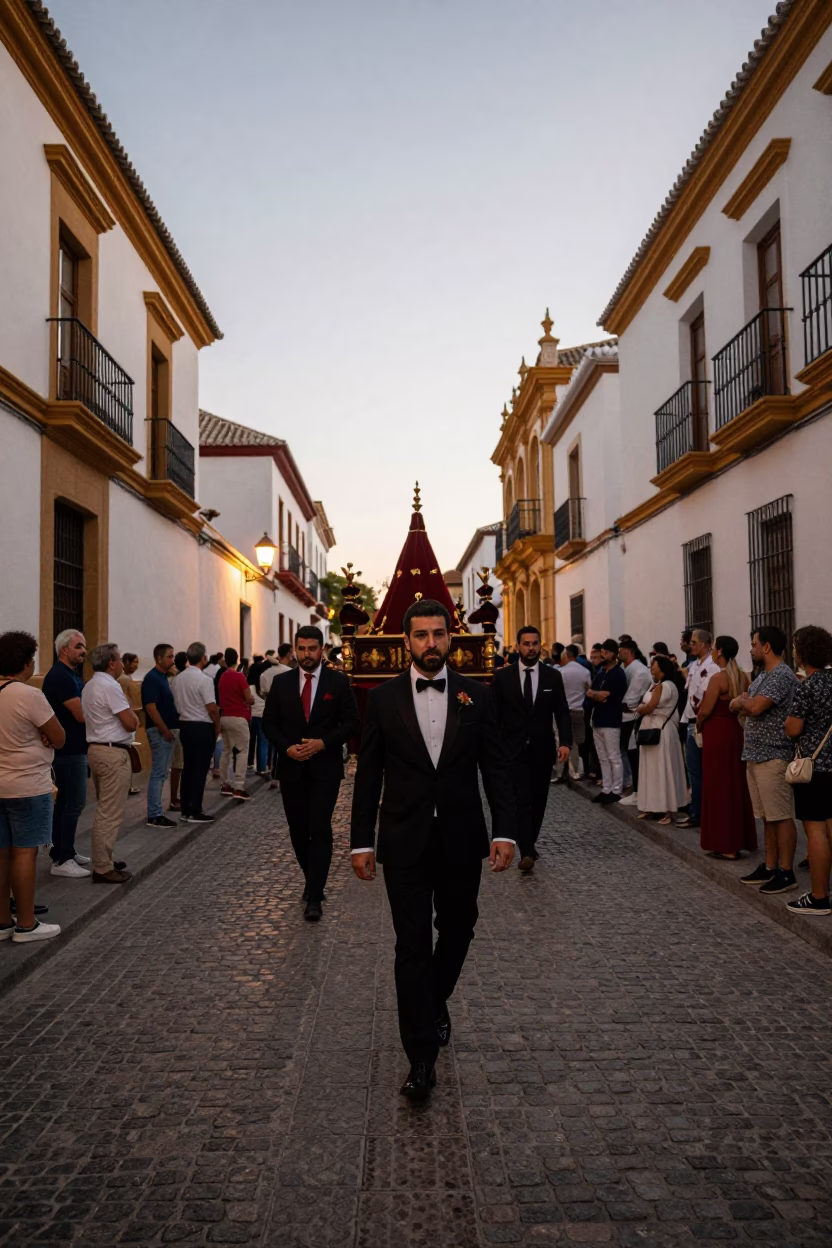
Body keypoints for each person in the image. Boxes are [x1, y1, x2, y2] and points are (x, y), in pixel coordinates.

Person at [350, 600, 514, 1101]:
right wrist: (362, 841)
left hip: (462, 838)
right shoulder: (382, 700)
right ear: (406, 642)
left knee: (460, 928)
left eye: (438, 634)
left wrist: (505, 831)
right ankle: (421, 1057)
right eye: (420, 636)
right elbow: (369, 773)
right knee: (411, 944)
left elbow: (497, 768)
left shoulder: (476, 697)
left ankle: (431, 1001)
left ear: (450, 638)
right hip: (404, 841)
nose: (430, 644)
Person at [264, 625, 361, 921]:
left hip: (325, 769)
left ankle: (315, 895)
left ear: (322, 649)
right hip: (292, 768)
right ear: (295, 649)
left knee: (319, 828)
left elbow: (352, 722)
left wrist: (323, 743)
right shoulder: (281, 683)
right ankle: (311, 879)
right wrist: (286, 748)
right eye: (302, 649)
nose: (307, 654)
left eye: (312, 649)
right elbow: (269, 724)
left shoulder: (338, 682)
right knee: (297, 830)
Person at [0, 630, 65, 943]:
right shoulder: (28, 695)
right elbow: (60, 736)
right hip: (27, 783)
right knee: (25, 854)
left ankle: (2, 922)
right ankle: (26, 923)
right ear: (26, 662)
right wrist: (42, 735)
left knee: (1, 853)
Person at [491, 625, 571, 871]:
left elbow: (562, 710)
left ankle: (529, 842)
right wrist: (493, 748)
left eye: (535, 643)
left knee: (538, 800)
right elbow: (494, 715)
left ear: (540, 645)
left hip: (542, 750)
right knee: (520, 800)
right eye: (526, 643)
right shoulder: (503, 677)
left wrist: (565, 742)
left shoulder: (551, 676)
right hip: (512, 751)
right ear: (518, 646)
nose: (531, 648)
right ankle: (526, 849)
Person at [730, 626, 798, 894]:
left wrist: (743, 702)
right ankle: (770, 866)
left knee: (781, 816)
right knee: (767, 817)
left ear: (767, 647)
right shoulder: (761, 676)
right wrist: (743, 702)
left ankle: (786, 871)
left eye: (754, 643)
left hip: (774, 754)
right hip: (755, 754)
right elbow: (737, 705)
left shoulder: (781, 675)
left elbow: (754, 706)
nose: (751, 648)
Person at [784, 626, 832, 916]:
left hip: (813, 767)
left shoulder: (808, 686)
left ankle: (818, 897)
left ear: (803, 652)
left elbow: (793, 727)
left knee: (815, 831)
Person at [82, 643, 139, 883]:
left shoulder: (90, 685)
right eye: (118, 659)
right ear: (112, 663)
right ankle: (103, 867)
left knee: (106, 809)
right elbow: (130, 722)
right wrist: (134, 717)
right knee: (110, 812)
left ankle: (105, 857)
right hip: (112, 752)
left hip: (97, 750)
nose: (121, 664)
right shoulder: (110, 686)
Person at [696, 637, 756, 859]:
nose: (711, 652)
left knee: (717, 787)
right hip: (735, 733)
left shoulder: (718, 679)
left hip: (717, 735)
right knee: (735, 785)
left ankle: (726, 845)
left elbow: (705, 710)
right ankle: (738, 839)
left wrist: (699, 725)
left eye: (713, 649)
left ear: (720, 651)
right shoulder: (742, 677)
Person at [42, 629, 90, 877]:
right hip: (69, 750)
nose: (84, 651)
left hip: (72, 748)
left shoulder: (69, 675)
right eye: (79, 646)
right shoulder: (61, 677)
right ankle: (62, 860)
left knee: (66, 803)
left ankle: (64, 850)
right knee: (74, 802)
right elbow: (81, 714)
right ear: (64, 649)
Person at [633, 655, 688, 823]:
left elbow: (650, 706)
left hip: (661, 731)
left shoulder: (666, 686)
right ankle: (652, 806)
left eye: (653, 665)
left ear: (661, 667)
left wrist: (639, 709)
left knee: (663, 769)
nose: (651, 668)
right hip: (651, 729)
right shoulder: (655, 685)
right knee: (650, 770)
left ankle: (668, 809)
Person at [172, 642, 220, 824]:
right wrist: (217, 725)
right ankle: (195, 810)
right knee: (200, 769)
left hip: (185, 725)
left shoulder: (178, 679)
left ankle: (185, 808)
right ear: (203, 658)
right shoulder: (205, 680)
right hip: (202, 726)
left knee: (188, 768)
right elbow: (211, 707)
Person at [676, 629, 719, 828]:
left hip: (702, 721)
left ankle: (703, 813)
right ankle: (697, 812)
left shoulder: (712, 666)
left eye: (693, 642)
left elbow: (705, 696)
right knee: (694, 770)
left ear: (705, 644)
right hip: (691, 720)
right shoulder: (694, 665)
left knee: (703, 770)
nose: (690, 645)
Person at [141, 643, 180, 829]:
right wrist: (164, 729)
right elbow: (150, 707)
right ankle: (155, 814)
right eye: (170, 656)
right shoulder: (152, 679)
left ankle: (156, 811)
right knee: (159, 772)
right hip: (159, 732)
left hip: (165, 731)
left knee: (162, 772)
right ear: (159, 658)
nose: (173, 660)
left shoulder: (163, 677)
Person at [586, 639, 627, 804]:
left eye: (605, 652)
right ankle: (606, 788)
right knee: (603, 757)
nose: (602, 655)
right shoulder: (601, 673)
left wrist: (596, 695)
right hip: (597, 720)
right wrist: (596, 695)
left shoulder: (618, 674)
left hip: (611, 720)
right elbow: (589, 692)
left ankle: (616, 790)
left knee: (614, 757)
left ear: (613, 654)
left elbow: (608, 695)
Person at [217, 647, 254, 800]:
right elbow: (248, 697)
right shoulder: (239, 676)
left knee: (226, 750)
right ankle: (239, 786)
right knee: (242, 751)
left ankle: (225, 784)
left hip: (224, 716)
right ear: (237, 659)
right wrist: (251, 700)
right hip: (238, 717)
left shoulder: (222, 677)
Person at [619, 640, 653, 799]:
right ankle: (629, 784)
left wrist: (618, 704)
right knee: (623, 751)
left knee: (631, 753)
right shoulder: (625, 668)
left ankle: (636, 788)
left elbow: (630, 699)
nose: (619, 652)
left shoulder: (639, 670)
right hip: (624, 715)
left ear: (627, 651)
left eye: (620, 649)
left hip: (632, 717)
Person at [558, 645, 591, 782]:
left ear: (566, 654)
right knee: (579, 740)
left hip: (564, 710)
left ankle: (564, 771)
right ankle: (578, 770)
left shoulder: (561, 671)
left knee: (563, 740)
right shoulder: (584, 671)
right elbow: (589, 689)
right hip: (578, 709)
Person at [118, 653, 143, 795]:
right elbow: (133, 700)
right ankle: (127, 784)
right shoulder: (125, 679)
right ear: (126, 662)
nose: (136, 665)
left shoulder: (124, 678)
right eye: (134, 662)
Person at [168, 651, 188, 808]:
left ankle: (176, 797)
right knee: (179, 764)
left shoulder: (172, 680)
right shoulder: (185, 679)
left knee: (177, 764)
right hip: (183, 724)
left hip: (176, 723)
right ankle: (176, 799)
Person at [247, 657, 270, 776]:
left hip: (252, 717)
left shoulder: (250, 688)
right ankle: (261, 768)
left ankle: (250, 762)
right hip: (262, 716)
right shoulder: (264, 686)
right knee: (262, 742)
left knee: (252, 740)